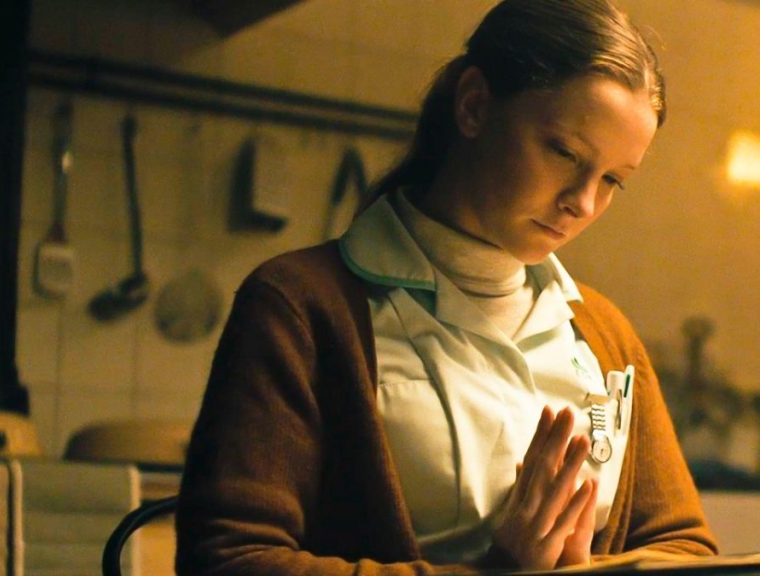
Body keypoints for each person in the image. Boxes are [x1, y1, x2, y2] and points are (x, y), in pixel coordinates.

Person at [175, 0, 717, 573]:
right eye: (564, 152)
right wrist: (494, 573)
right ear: (474, 105)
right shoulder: (299, 307)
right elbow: (229, 560)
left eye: (612, 180)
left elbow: (684, 548)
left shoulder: (605, 332)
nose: (583, 202)